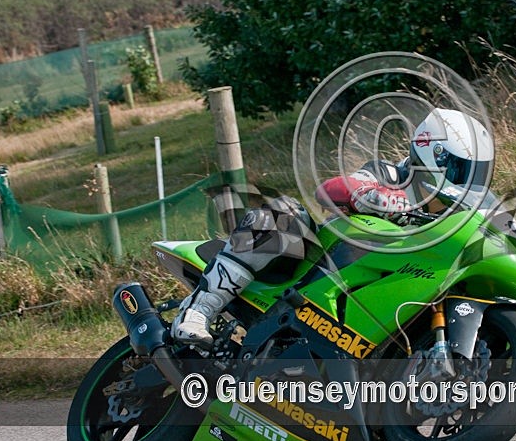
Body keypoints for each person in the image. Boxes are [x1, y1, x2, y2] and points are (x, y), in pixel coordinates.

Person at [171, 108, 494, 346]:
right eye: (462, 169)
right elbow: (331, 189)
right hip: (316, 270)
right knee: (285, 214)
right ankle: (198, 311)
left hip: (383, 297)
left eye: (477, 172)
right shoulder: (390, 176)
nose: (468, 181)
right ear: (432, 153)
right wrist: (381, 198)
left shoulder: (458, 214)